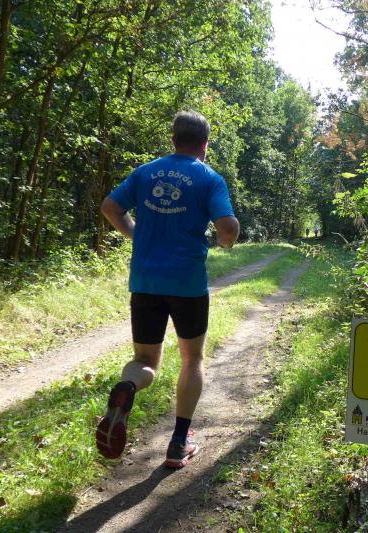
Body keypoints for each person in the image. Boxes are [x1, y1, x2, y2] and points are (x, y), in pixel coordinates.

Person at [96, 110, 240, 468]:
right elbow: (227, 227)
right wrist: (226, 241)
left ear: (173, 140)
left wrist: (135, 234)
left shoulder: (145, 172)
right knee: (192, 359)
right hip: (187, 285)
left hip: (145, 282)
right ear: (205, 144)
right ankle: (178, 444)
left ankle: (128, 387)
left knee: (145, 362)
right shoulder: (209, 178)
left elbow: (110, 207)